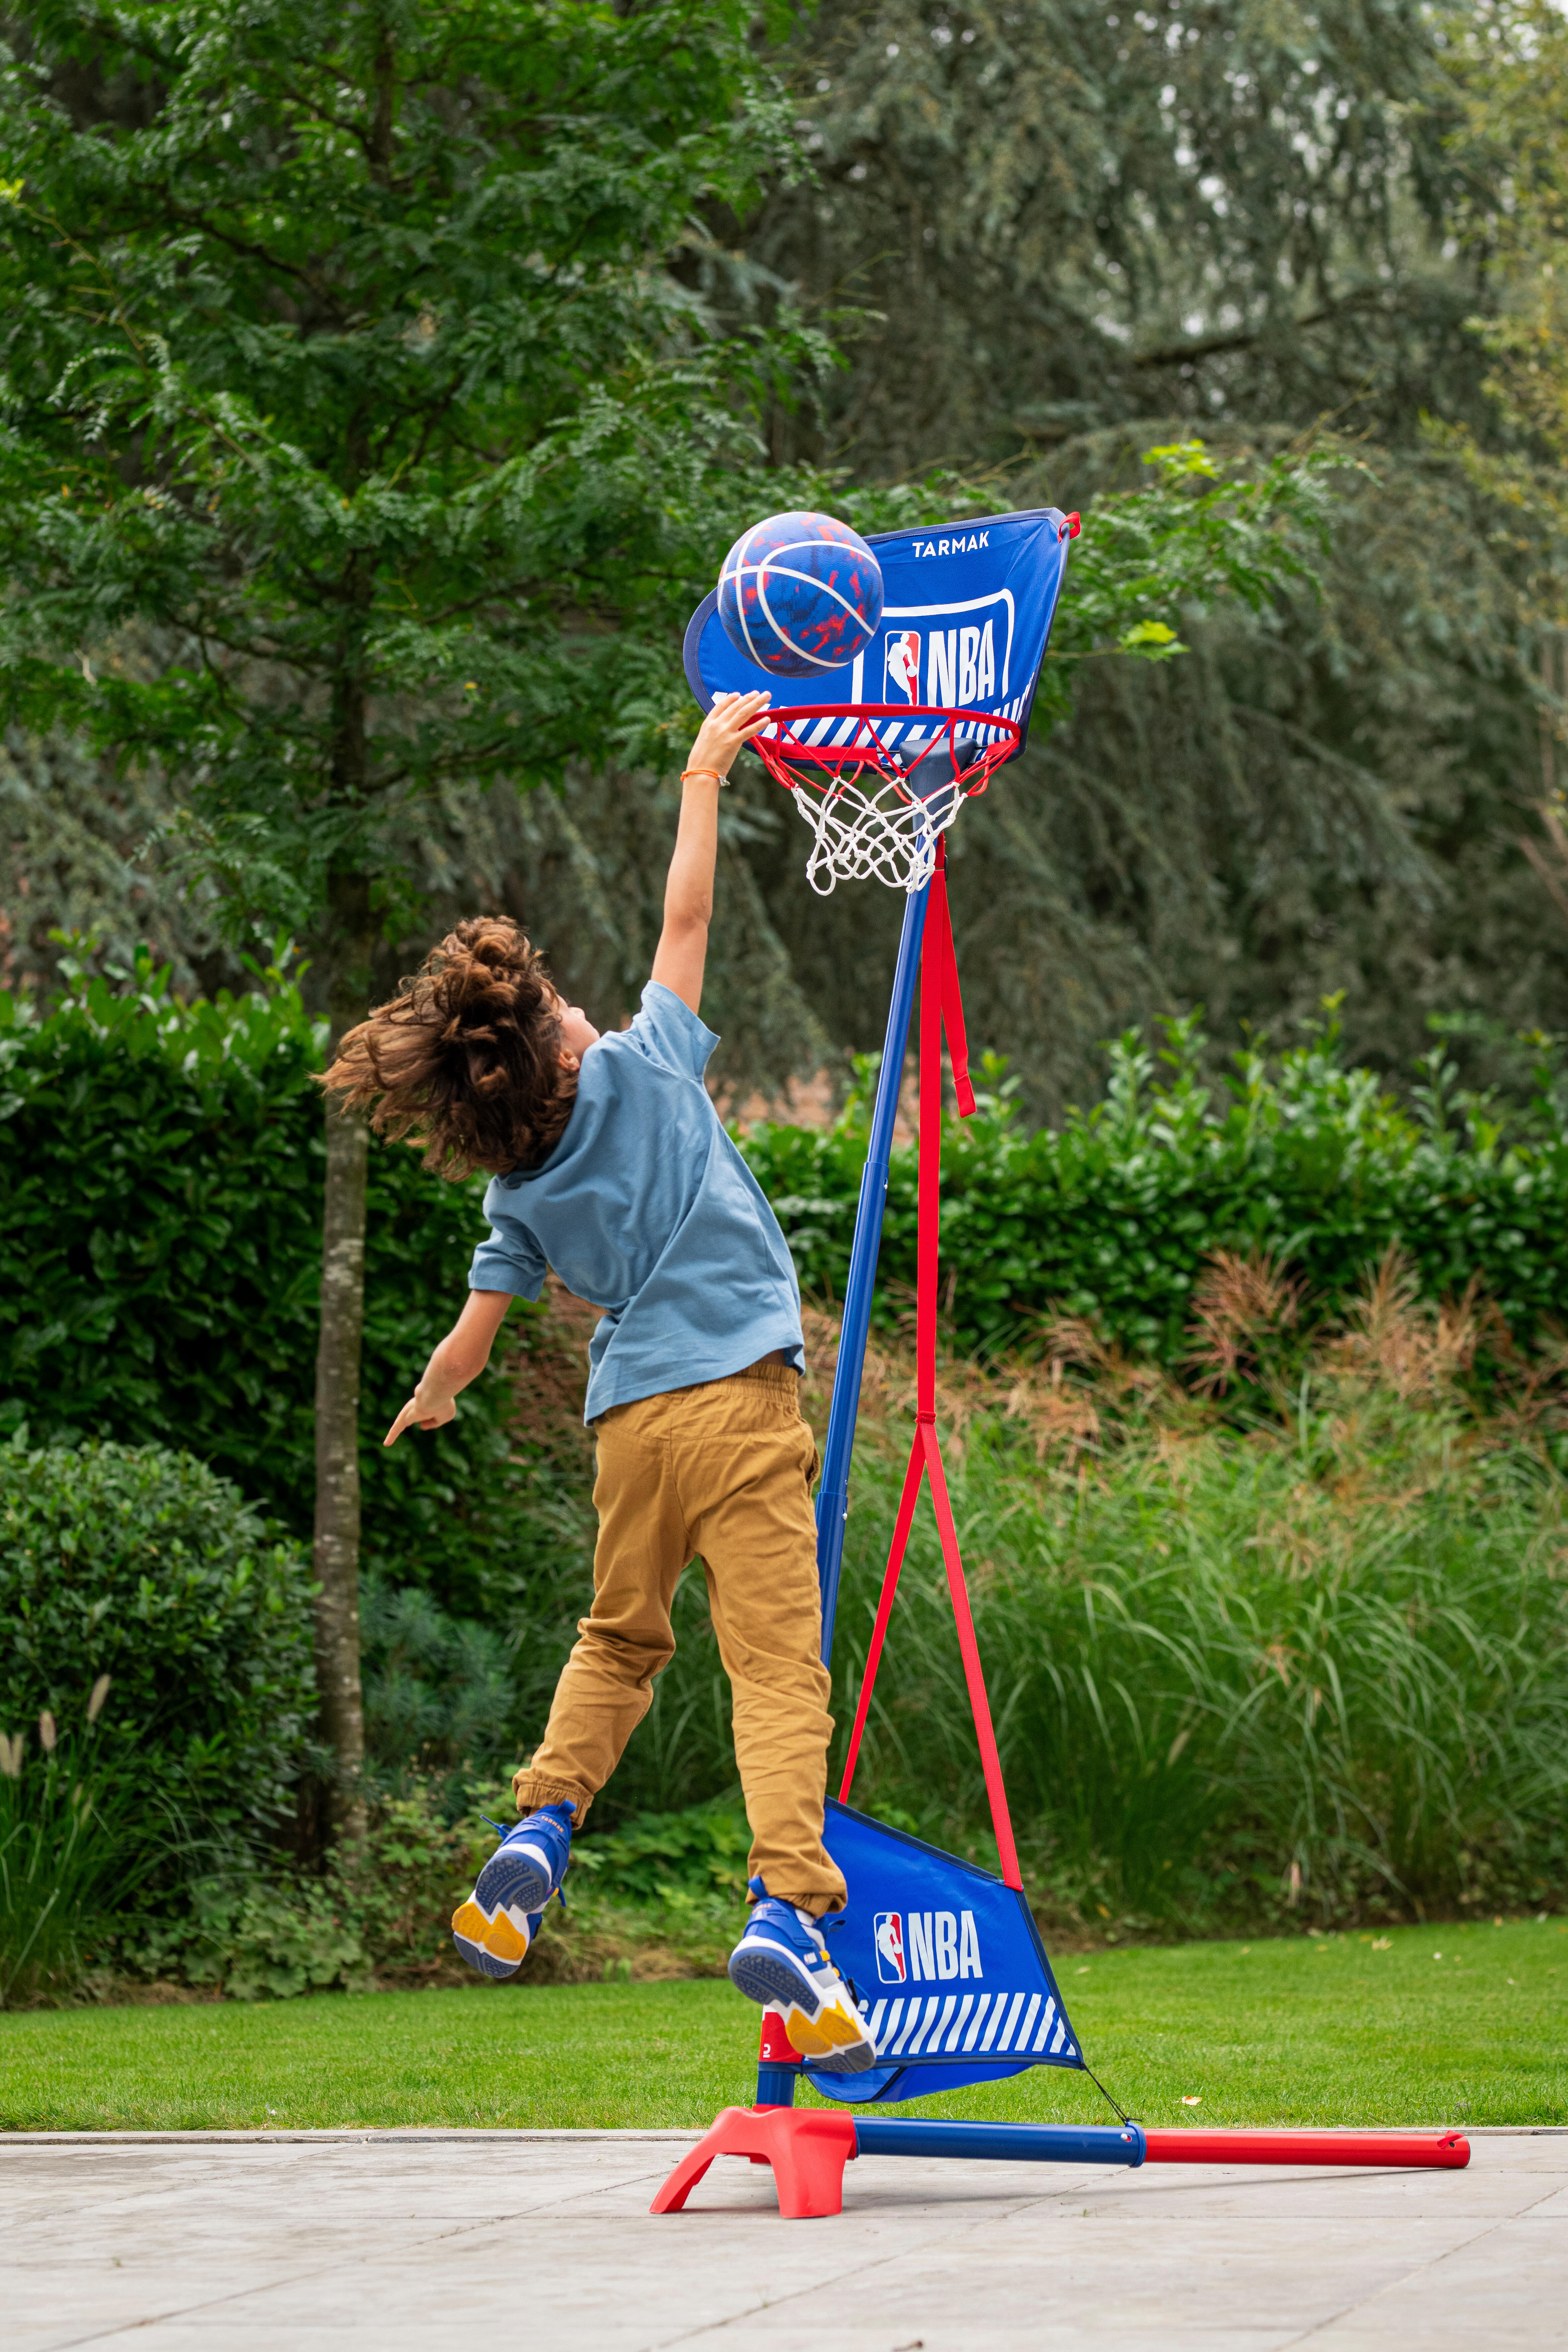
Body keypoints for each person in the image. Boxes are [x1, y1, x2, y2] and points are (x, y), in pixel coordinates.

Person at [323, 689, 876, 2073]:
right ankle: (785, 1907)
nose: (580, 1000)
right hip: (741, 1407)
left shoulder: (519, 1187)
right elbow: (686, 923)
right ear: (565, 1045)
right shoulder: (648, 1069)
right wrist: (705, 769)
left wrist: (437, 1393)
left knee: (619, 1637)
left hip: (628, 1423)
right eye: (565, 1000)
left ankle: (538, 1828)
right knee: (774, 1667)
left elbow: (475, 1325)